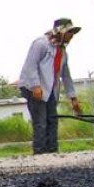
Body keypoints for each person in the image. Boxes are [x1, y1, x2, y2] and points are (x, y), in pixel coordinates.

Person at [18, 18, 83, 155]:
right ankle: (40, 153)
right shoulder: (41, 44)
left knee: (52, 119)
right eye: (69, 32)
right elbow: (30, 66)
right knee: (40, 121)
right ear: (60, 31)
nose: (72, 36)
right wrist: (35, 86)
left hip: (49, 89)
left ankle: (52, 152)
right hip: (32, 86)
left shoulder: (62, 52)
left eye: (72, 33)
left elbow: (66, 75)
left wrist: (73, 98)